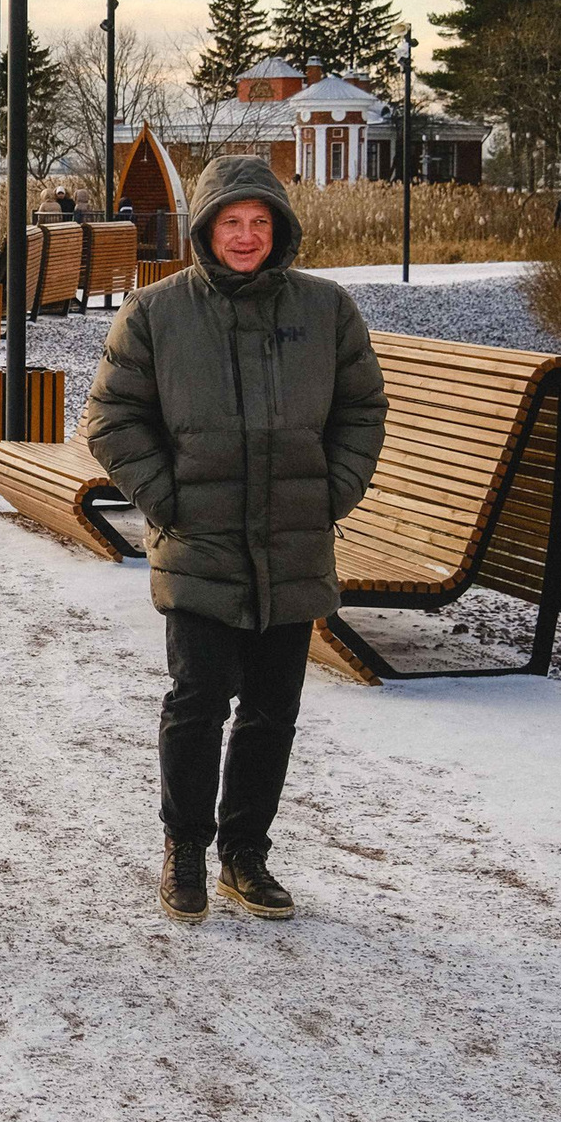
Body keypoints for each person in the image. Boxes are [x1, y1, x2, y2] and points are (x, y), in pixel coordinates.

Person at [80, 155, 386, 926]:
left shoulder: (326, 309)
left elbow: (362, 408)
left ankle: (245, 854)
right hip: (200, 545)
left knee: (273, 709)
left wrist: (331, 492)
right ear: (206, 229)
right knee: (198, 701)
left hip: (292, 542)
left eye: (259, 222)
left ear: (279, 228)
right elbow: (111, 417)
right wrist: (168, 498)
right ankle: (185, 845)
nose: (245, 236)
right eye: (230, 222)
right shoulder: (156, 312)